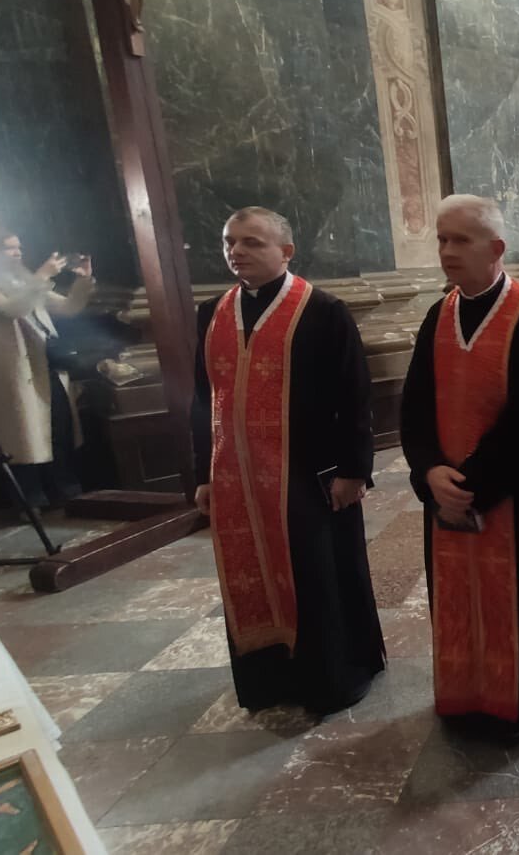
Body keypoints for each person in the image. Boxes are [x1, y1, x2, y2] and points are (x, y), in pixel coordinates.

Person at [192, 207, 384, 713]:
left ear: (286, 251)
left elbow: (355, 395)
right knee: (251, 575)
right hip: (237, 478)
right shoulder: (212, 312)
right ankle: (269, 679)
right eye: (230, 242)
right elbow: (203, 398)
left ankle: (335, 678)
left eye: (252, 242)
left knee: (318, 574)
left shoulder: (323, 311)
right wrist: (203, 473)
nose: (237, 252)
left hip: (308, 475)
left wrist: (353, 470)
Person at [399, 195, 519, 739]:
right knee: (454, 601)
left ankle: (514, 709)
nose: (447, 250)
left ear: (495, 248)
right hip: (446, 493)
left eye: (460, 240)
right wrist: (430, 472)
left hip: (515, 500)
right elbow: (414, 406)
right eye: (441, 239)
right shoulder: (438, 315)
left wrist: (469, 487)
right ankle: (462, 700)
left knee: (517, 606)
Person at [0, 229, 94, 510]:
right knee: (23, 436)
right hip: (14, 367)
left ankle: (66, 492)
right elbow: (13, 308)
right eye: (9, 248)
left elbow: (68, 308)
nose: (18, 253)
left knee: (59, 427)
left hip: (45, 362)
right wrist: (42, 276)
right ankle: (30, 501)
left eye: (19, 247)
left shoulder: (24, 279)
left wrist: (83, 280)